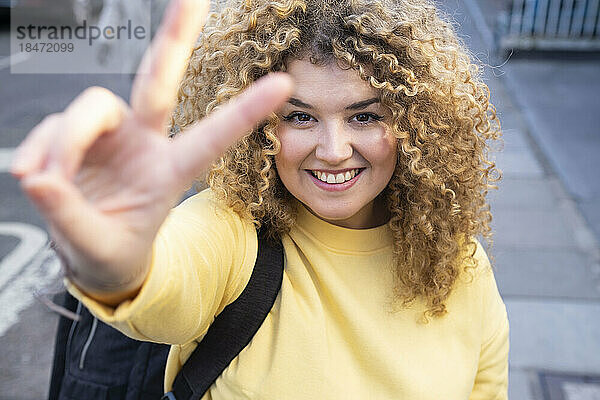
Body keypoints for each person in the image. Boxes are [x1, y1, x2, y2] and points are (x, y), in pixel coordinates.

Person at [11, 0, 508, 398]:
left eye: (364, 116)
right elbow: (162, 288)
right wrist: (115, 265)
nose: (334, 152)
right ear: (258, 127)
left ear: (418, 126)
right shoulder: (230, 232)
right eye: (299, 117)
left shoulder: (463, 267)